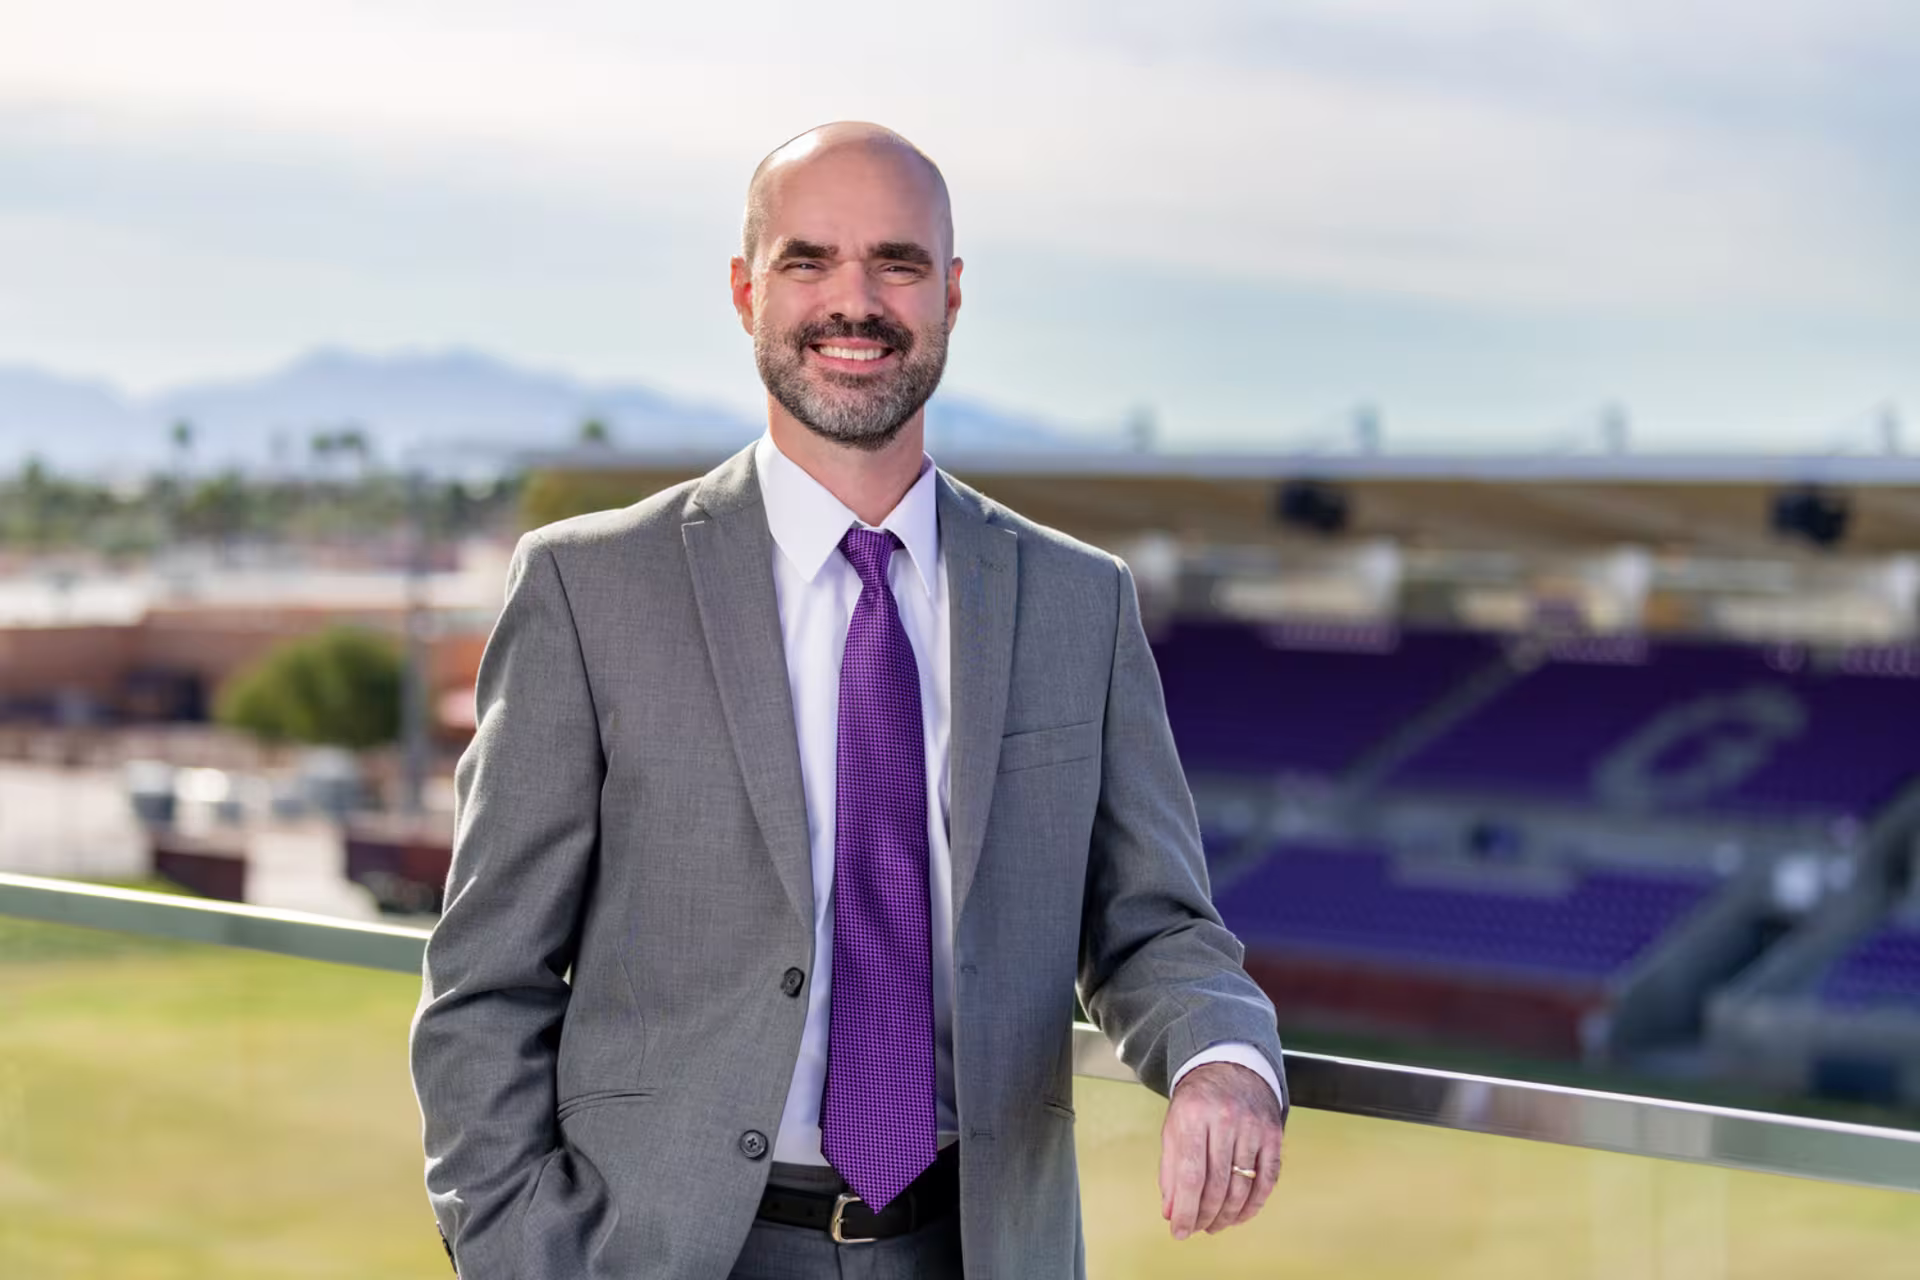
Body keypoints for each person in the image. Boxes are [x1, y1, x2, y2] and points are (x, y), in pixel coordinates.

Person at [409, 120, 1288, 1280]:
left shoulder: (1079, 602)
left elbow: (1155, 922)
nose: (854, 302)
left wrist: (1222, 1054)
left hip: (976, 1245)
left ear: (953, 295)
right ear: (745, 290)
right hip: (661, 1252)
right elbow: (486, 981)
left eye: (898, 262)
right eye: (808, 260)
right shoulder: (589, 587)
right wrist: (525, 1252)